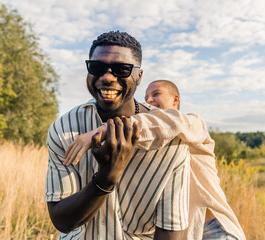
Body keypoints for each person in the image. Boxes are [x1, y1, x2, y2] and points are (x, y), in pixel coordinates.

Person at [45, 31, 191, 240]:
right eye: (97, 68)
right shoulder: (65, 129)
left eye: (122, 69)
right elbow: (61, 221)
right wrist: (106, 177)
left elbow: (171, 230)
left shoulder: (172, 140)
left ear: (139, 76)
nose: (107, 77)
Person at [65, 80, 246, 240]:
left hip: (213, 230)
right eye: (146, 96)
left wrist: (100, 132)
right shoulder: (151, 141)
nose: (149, 100)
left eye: (156, 94)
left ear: (175, 100)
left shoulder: (193, 124)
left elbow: (164, 123)